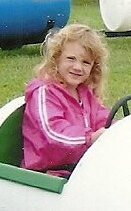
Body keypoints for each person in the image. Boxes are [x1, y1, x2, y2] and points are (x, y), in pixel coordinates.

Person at [21, 23, 110, 176]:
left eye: (85, 62)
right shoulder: (44, 92)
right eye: (71, 59)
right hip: (47, 173)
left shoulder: (85, 93)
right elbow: (54, 133)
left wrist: (116, 129)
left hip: (78, 166)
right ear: (57, 59)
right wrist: (89, 138)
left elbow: (101, 118)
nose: (78, 67)